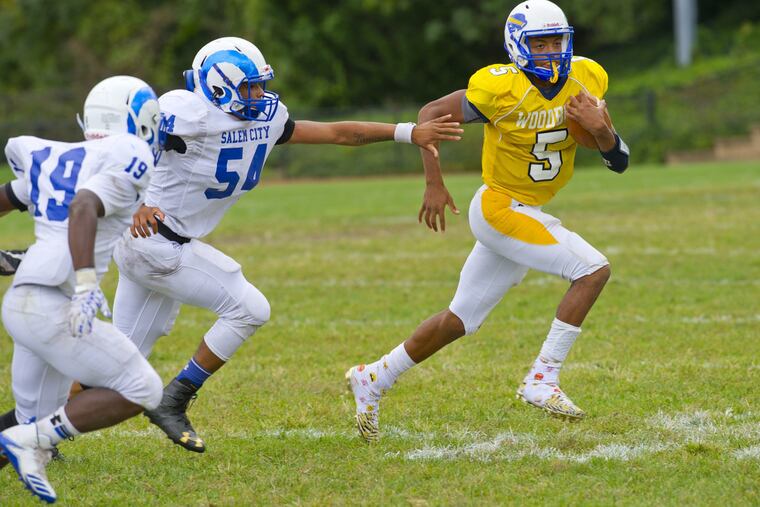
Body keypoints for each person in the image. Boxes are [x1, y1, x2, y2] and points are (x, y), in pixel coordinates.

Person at [111, 36, 463, 453]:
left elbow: (336, 133)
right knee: (249, 308)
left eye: (261, 85)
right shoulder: (185, 114)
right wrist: (135, 201)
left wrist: (408, 132)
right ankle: (174, 399)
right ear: (218, 88)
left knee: (116, 362)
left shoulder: (264, 118)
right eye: (249, 88)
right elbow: (117, 146)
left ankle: (31, 431)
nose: (260, 95)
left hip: (155, 244)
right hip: (155, 243)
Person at [346, 0, 630, 442]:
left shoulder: (586, 77)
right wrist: (434, 182)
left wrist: (600, 127)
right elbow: (427, 115)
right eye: (540, 43)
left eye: (558, 41)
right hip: (499, 207)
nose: (552, 51)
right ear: (517, 45)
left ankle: (374, 376)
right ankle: (543, 378)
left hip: (526, 209)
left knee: (460, 320)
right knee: (592, 270)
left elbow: (617, 158)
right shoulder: (499, 88)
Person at [0, 76, 164, 503]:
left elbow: (12, 194)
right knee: (143, 388)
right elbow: (82, 206)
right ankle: (26, 438)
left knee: (31, 422)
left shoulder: (64, 155)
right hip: (55, 301)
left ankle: (27, 438)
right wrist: (86, 281)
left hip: (24, 301)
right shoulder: (131, 153)